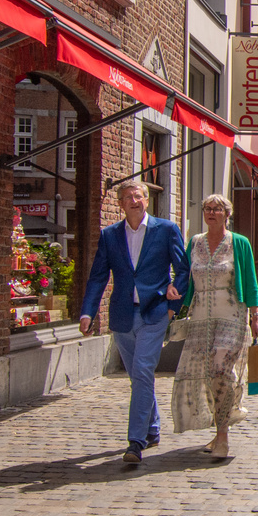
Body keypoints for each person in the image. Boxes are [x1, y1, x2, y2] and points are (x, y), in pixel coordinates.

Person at [79, 181, 191, 465]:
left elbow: (183, 269)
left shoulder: (165, 229)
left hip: (154, 312)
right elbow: (97, 277)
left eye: (138, 196)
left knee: (142, 371)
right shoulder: (110, 235)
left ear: (147, 200)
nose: (134, 200)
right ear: (120, 204)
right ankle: (152, 428)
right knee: (138, 377)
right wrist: (87, 312)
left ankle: (135, 442)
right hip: (122, 316)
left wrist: (172, 306)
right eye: (127, 197)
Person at [169, 193, 258, 461]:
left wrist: (255, 316)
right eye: (207, 208)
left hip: (232, 315)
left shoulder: (239, 243)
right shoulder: (195, 242)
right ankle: (222, 420)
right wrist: (174, 299)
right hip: (200, 318)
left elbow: (251, 281)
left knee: (221, 368)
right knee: (209, 375)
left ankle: (223, 435)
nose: (211, 212)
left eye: (217, 209)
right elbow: (185, 276)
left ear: (226, 214)